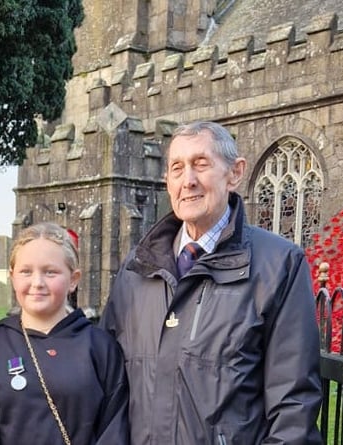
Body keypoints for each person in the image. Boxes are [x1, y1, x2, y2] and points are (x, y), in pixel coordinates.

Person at [99, 121, 322, 444]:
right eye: (177, 168)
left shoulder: (279, 266)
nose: (188, 180)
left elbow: (294, 407)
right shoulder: (136, 270)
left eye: (201, 164)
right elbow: (109, 386)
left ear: (235, 173)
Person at [0, 222, 129, 444]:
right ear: (13, 277)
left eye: (50, 272)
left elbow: (114, 428)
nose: (37, 283)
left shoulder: (101, 348)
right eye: (26, 271)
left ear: (73, 279)